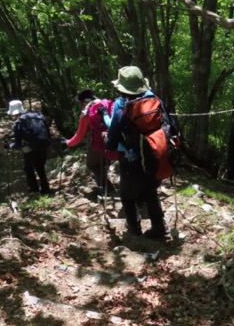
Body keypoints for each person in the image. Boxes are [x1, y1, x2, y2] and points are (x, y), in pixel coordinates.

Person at [106, 66, 169, 239]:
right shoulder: (155, 100)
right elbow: (169, 126)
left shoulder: (121, 106)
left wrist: (107, 142)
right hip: (155, 154)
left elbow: (112, 141)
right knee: (151, 191)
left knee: (127, 195)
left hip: (130, 159)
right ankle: (159, 227)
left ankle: (134, 227)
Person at [61, 88, 118, 197]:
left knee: (92, 164)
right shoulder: (110, 104)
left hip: (99, 144)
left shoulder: (86, 112)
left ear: (83, 102)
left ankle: (107, 190)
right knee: (102, 164)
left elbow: (79, 136)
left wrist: (67, 143)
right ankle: (111, 188)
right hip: (115, 140)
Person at [7, 99, 52, 195]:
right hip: (43, 145)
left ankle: (34, 189)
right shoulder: (36, 116)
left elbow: (17, 144)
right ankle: (46, 189)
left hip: (30, 149)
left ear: (13, 113)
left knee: (28, 168)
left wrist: (9, 146)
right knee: (40, 167)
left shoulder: (18, 124)